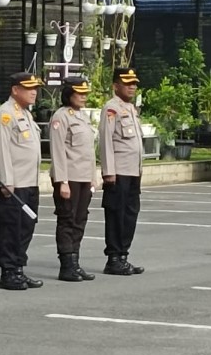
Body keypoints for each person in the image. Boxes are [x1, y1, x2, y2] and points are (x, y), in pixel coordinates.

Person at [0, 72, 44, 291]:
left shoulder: (25, 114)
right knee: (12, 228)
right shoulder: (5, 114)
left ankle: (19, 268)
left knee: (26, 228)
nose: (34, 92)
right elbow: (2, 149)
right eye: (28, 88)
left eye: (35, 88)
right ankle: (9, 272)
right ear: (15, 90)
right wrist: (6, 181)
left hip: (29, 182)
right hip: (14, 184)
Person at [49, 77, 97, 282]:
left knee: (80, 220)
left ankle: (75, 262)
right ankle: (66, 265)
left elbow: (88, 151)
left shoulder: (82, 116)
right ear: (69, 94)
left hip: (83, 177)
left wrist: (93, 177)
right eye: (80, 93)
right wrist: (63, 181)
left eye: (86, 93)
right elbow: (58, 151)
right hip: (69, 177)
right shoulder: (61, 117)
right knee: (67, 220)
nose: (84, 96)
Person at [98, 68, 145, 276]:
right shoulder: (111, 108)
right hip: (118, 172)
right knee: (116, 214)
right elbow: (106, 141)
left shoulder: (131, 109)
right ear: (115, 86)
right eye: (127, 83)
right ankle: (114, 258)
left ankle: (123, 255)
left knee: (130, 214)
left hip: (133, 171)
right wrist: (108, 171)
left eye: (134, 83)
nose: (132, 86)